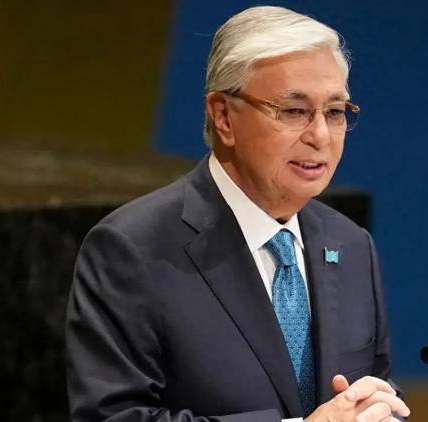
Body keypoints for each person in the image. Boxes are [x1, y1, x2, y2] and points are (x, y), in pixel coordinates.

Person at [66, 6, 409, 422]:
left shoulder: (351, 244)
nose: (320, 136)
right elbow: (114, 417)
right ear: (224, 117)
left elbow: (372, 389)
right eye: (293, 111)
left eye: (334, 112)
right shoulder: (131, 249)